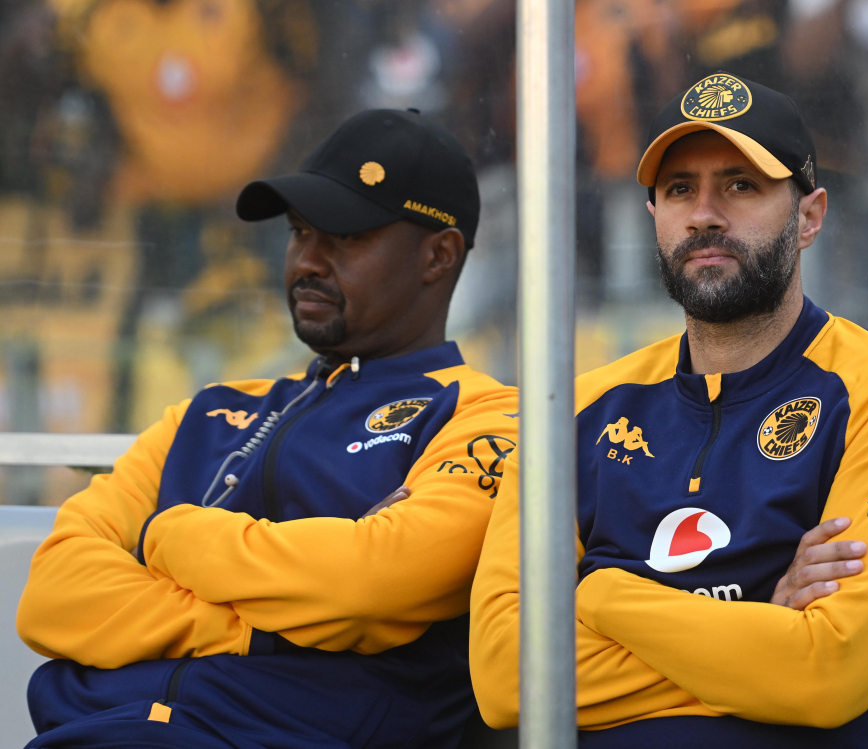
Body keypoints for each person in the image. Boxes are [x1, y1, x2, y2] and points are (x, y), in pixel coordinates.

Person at [469, 72, 868, 746]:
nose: (704, 214)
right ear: (653, 215)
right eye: (679, 189)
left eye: (740, 185)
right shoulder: (573, 411)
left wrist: (600, 595)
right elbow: (505, 677)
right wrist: (765, 625)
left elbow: (826, 672)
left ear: (809, 216)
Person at [17, 109, 519, 749]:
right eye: (299, 232)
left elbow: (374, 579)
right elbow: (52, 594)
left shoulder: (485, 416)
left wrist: (170, 536)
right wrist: (259, 631)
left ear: (438, 255)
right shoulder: (206, 411)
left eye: (344, 236)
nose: (308, 260)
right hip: (93, 732)